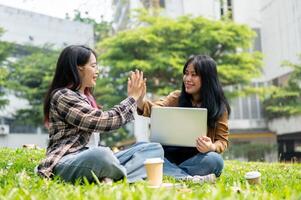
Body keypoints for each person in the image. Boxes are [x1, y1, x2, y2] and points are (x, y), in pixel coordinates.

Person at [37, 45, 164, 183]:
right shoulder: (62, 96)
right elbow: (102, 122)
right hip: (67, 161)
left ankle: (109, 177)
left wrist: (136, 100)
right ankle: (120, 177)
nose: (97, 71)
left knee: (153, 149)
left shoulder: (87, 97)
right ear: (78, 68)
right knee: (101, 155)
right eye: (93, 66)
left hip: (93, 159)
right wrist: (131, 99)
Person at [137, 55, 230, 183]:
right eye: (186, 74)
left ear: (207, 78)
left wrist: (211, 147)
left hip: (195, 159)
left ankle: (169, 173)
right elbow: (155, 108)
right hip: (166, 156)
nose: (187, 79)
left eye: (194, 74)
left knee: (215, 161)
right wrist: (140, 100)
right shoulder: (176, 97)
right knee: (142, 148)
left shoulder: (219, 107)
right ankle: (186, 178)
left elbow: (222, 141)